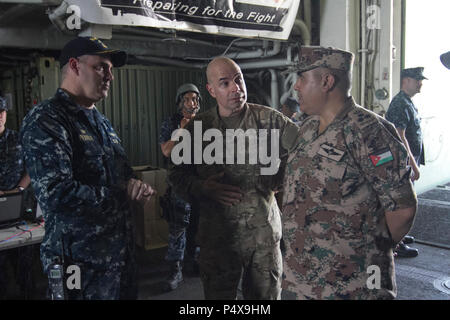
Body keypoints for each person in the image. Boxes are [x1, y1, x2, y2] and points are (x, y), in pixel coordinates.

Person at [19, 37, 155, 300]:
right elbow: (56, 194)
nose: (109, 77)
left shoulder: (101, 122)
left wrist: (137, 187)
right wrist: (122, 193)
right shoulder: (47, 119)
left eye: (111, 70)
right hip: (79, 263)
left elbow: (120, 176)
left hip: (119, 259)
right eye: (101, 67)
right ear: (74, 65)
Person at [281, 46, 417, 300]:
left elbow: (402, 210)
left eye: (302, 78)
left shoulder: (370, 131)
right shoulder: (308, 127)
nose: (296, 86)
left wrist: (369, 250)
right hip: (301, 279)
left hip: (354, 285)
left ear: (326, 81)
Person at [168, 57, 301, 299]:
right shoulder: (198, 129)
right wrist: (201, 187)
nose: (235, 88)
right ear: (211, 90)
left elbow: (307, 154)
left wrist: (285, 177)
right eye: (225, 83)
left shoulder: (270, 121)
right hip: (218, 239)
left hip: (263, 238)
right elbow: (176, 175)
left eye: (238, 80)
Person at [159, 83, 201, 291]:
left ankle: (196, 262)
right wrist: (182, 131)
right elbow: (166, 151)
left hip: (201, 183)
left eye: (194, 99)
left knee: (200, 225)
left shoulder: (205, 122)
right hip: (180, 183)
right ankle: (175, 268)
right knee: (178, 226)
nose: (191, 103)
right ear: (179, 103)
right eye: (187, 99)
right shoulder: (172, 123)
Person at [385, 67, 427, 258]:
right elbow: (399, 136)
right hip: (402, 162)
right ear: (406, 81)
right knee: (400, 203)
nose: (420, 83)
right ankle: (395, 243)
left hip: (408, 161)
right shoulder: (400, 103)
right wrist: (412, 163)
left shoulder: (407, 102)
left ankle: (400, 236)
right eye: (417, 79)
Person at [0, 96, 33, 299]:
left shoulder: (18, 139)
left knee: (24, 268)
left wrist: (18, 190)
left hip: (17, 210)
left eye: (1, 112)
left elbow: (31, 169)